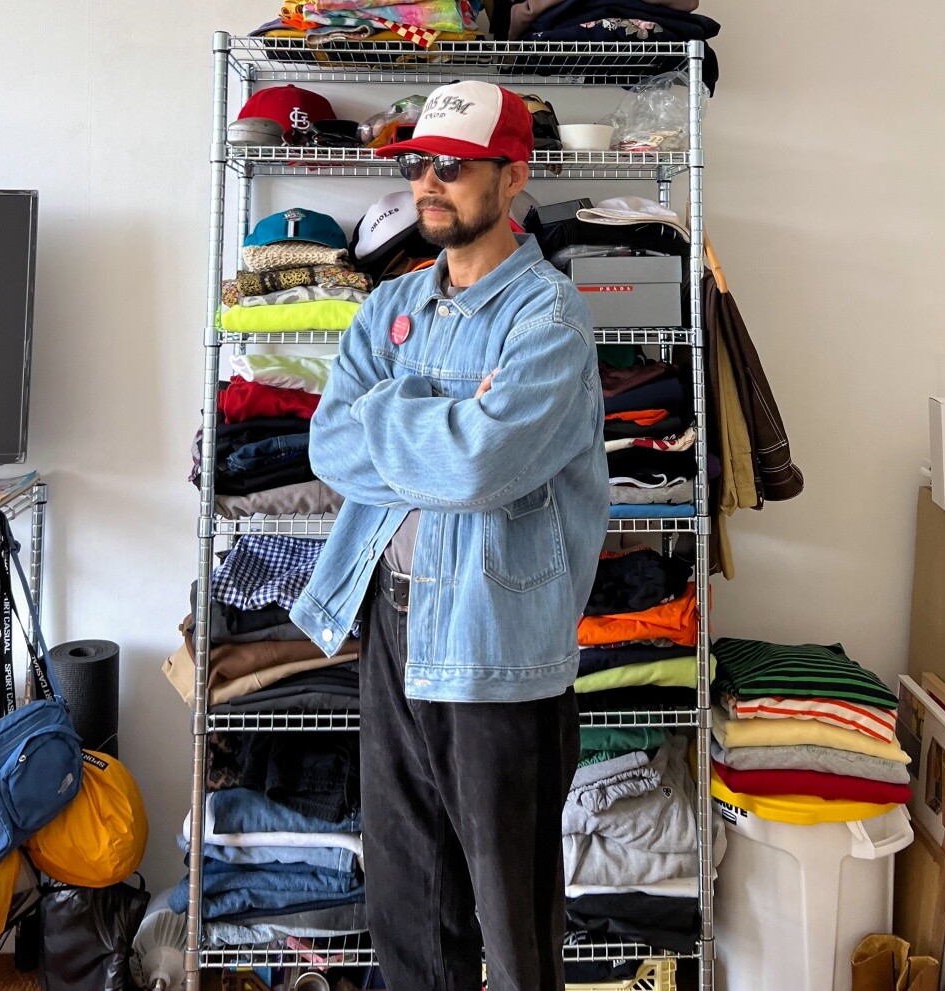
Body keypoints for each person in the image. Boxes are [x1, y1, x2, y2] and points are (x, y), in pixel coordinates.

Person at [292, 80, 610, 991]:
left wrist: (389, 411)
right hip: (391, 621)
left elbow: (478, 468)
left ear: (513, 176)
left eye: (455, 166)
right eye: (419, 164)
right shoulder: (391, 306)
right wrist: (439, 411)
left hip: (493, 636)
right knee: (409, 904)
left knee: (513, 924)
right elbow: (329, 446)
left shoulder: (548, 318)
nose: (429, 182)